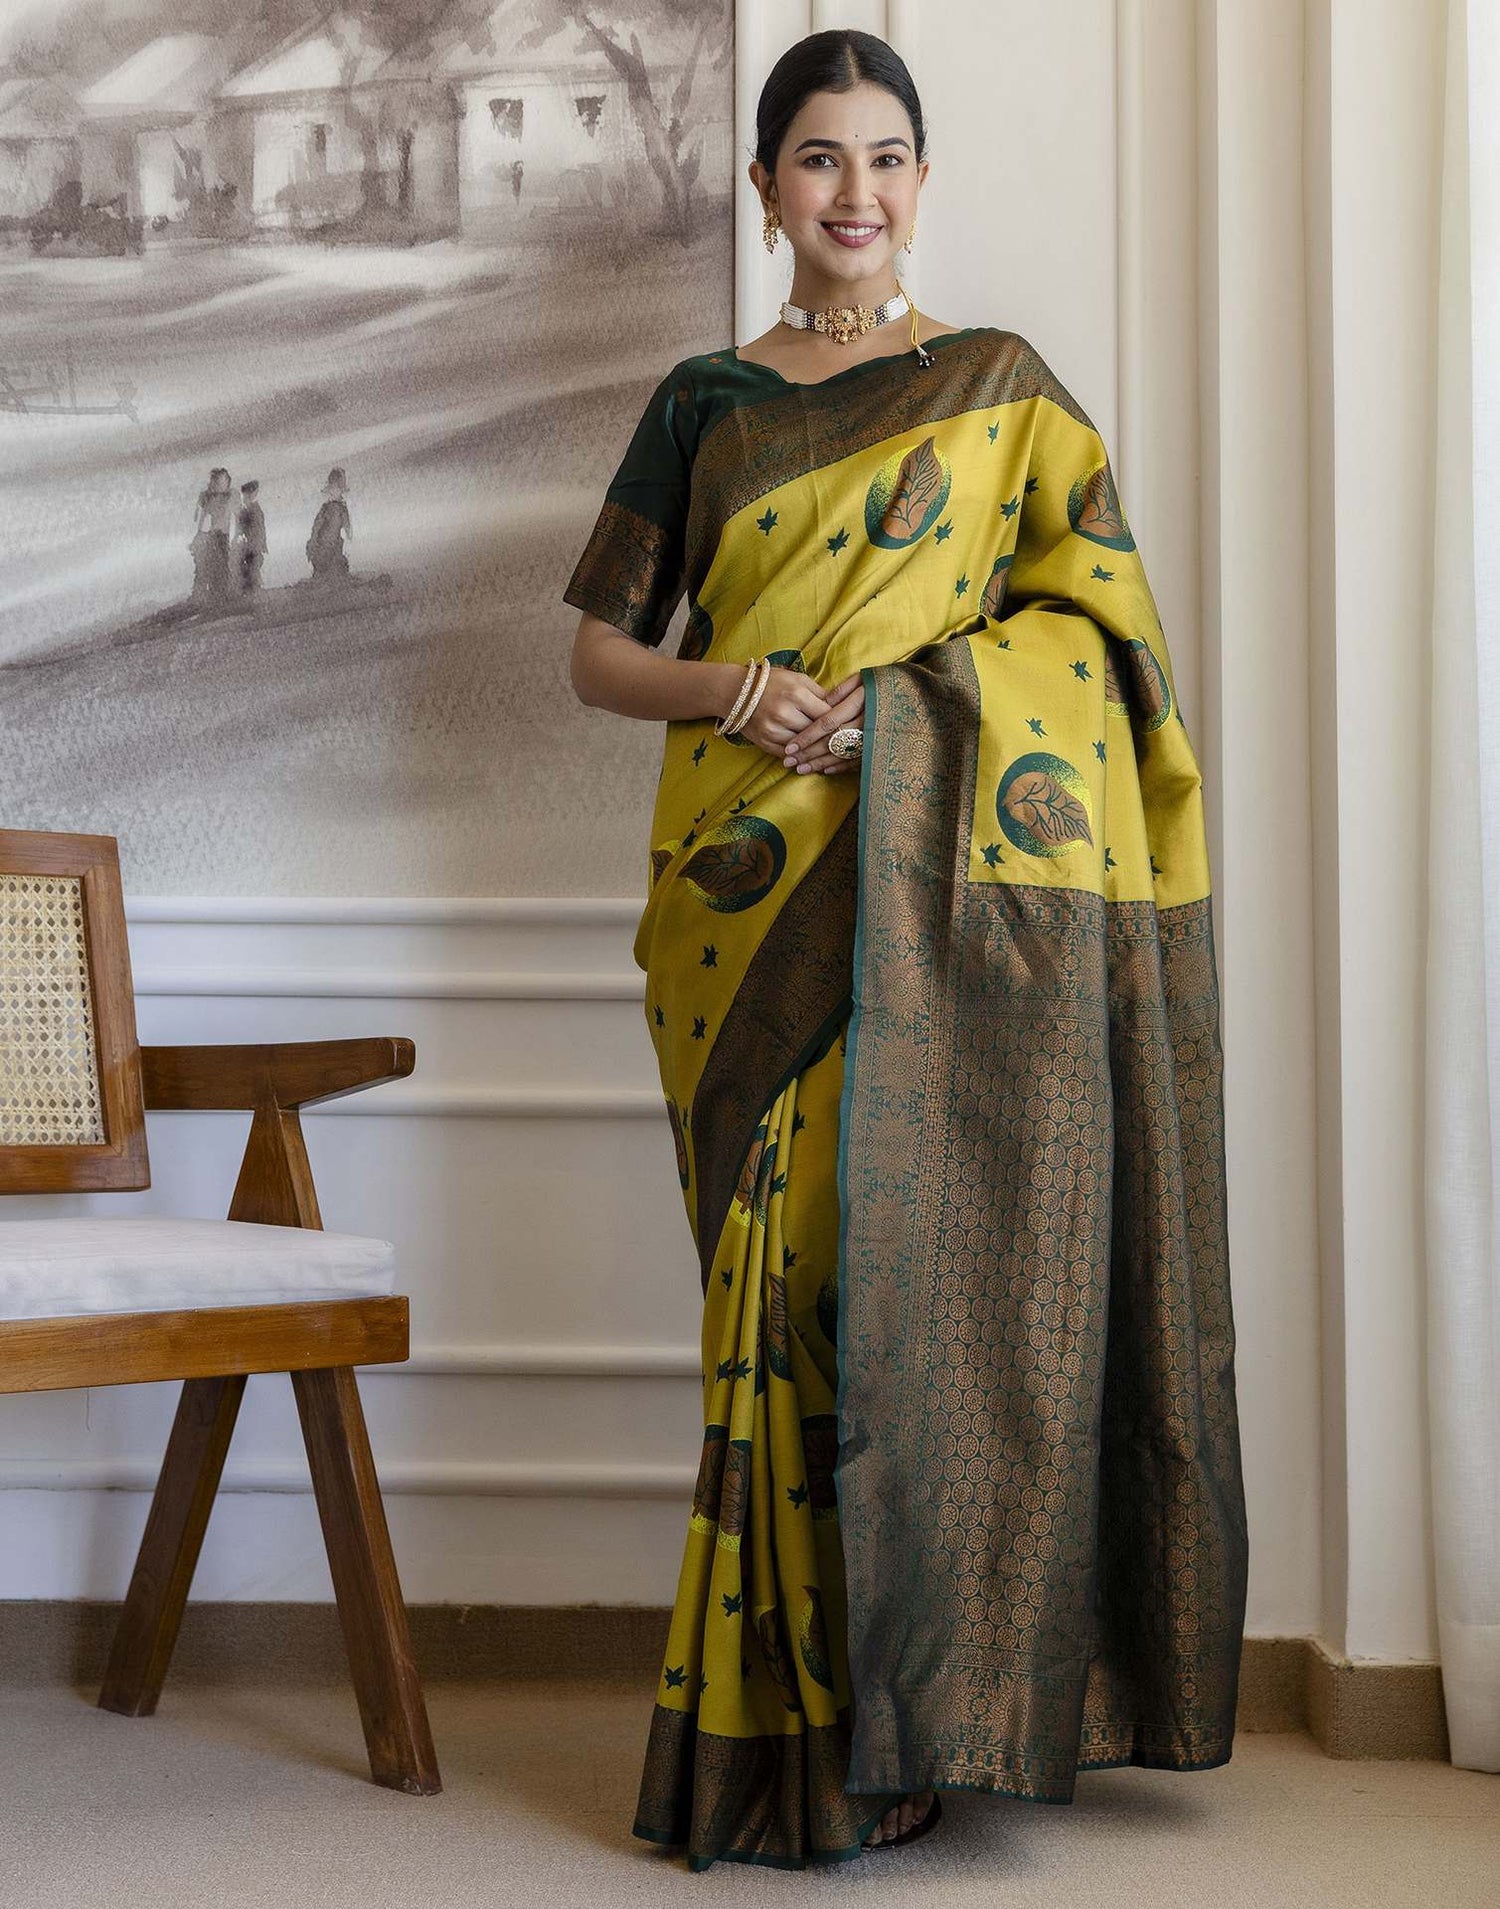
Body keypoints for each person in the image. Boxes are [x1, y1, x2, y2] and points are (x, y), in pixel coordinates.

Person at [564, 28, 1248, 1875]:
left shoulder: (1004, 390)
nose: (851, 194)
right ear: (767, 186)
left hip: (937, 906)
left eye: (883, 159)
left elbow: (1110, 648)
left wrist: (912, 712)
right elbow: (599, 655)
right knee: (770, 1295)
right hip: (739, 889)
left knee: (896, 1287)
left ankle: (899, 1716)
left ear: (921, 184)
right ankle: (781, 1725)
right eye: (815, 160)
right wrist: (752, 690)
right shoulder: (703, 400)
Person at [189, 466, 233, 604]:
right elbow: (200, 517)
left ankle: (220, 596)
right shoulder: (209, 497)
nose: (224, 484)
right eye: (219, 481)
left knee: (221, 566)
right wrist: (199, 534)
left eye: (225, 481)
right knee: (212, 565)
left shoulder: (229, 496)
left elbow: (235, 516)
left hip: (222, 536)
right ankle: (212, 597)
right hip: (212, 535)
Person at [306, 466, 352, 578]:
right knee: (324, 566)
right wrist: (313, 541)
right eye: (332, 489)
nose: (333, 492)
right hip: (322, 545)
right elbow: (316, 526)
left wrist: (349, 533)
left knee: (337, 566)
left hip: (334, 545)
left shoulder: (342, 508)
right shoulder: (325, 508)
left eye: (337, 489)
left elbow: (347, 525)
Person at [233, 479, 267, 591]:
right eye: (244, 496)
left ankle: (253, 589)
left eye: (246, 495)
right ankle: (251, 588)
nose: (244, 498)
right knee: (250, 569)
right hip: (250, 545)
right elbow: (240, 529)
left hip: (253, 545)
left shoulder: (253, 510)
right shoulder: (247, 509)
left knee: (253, 569)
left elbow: (259, 528)